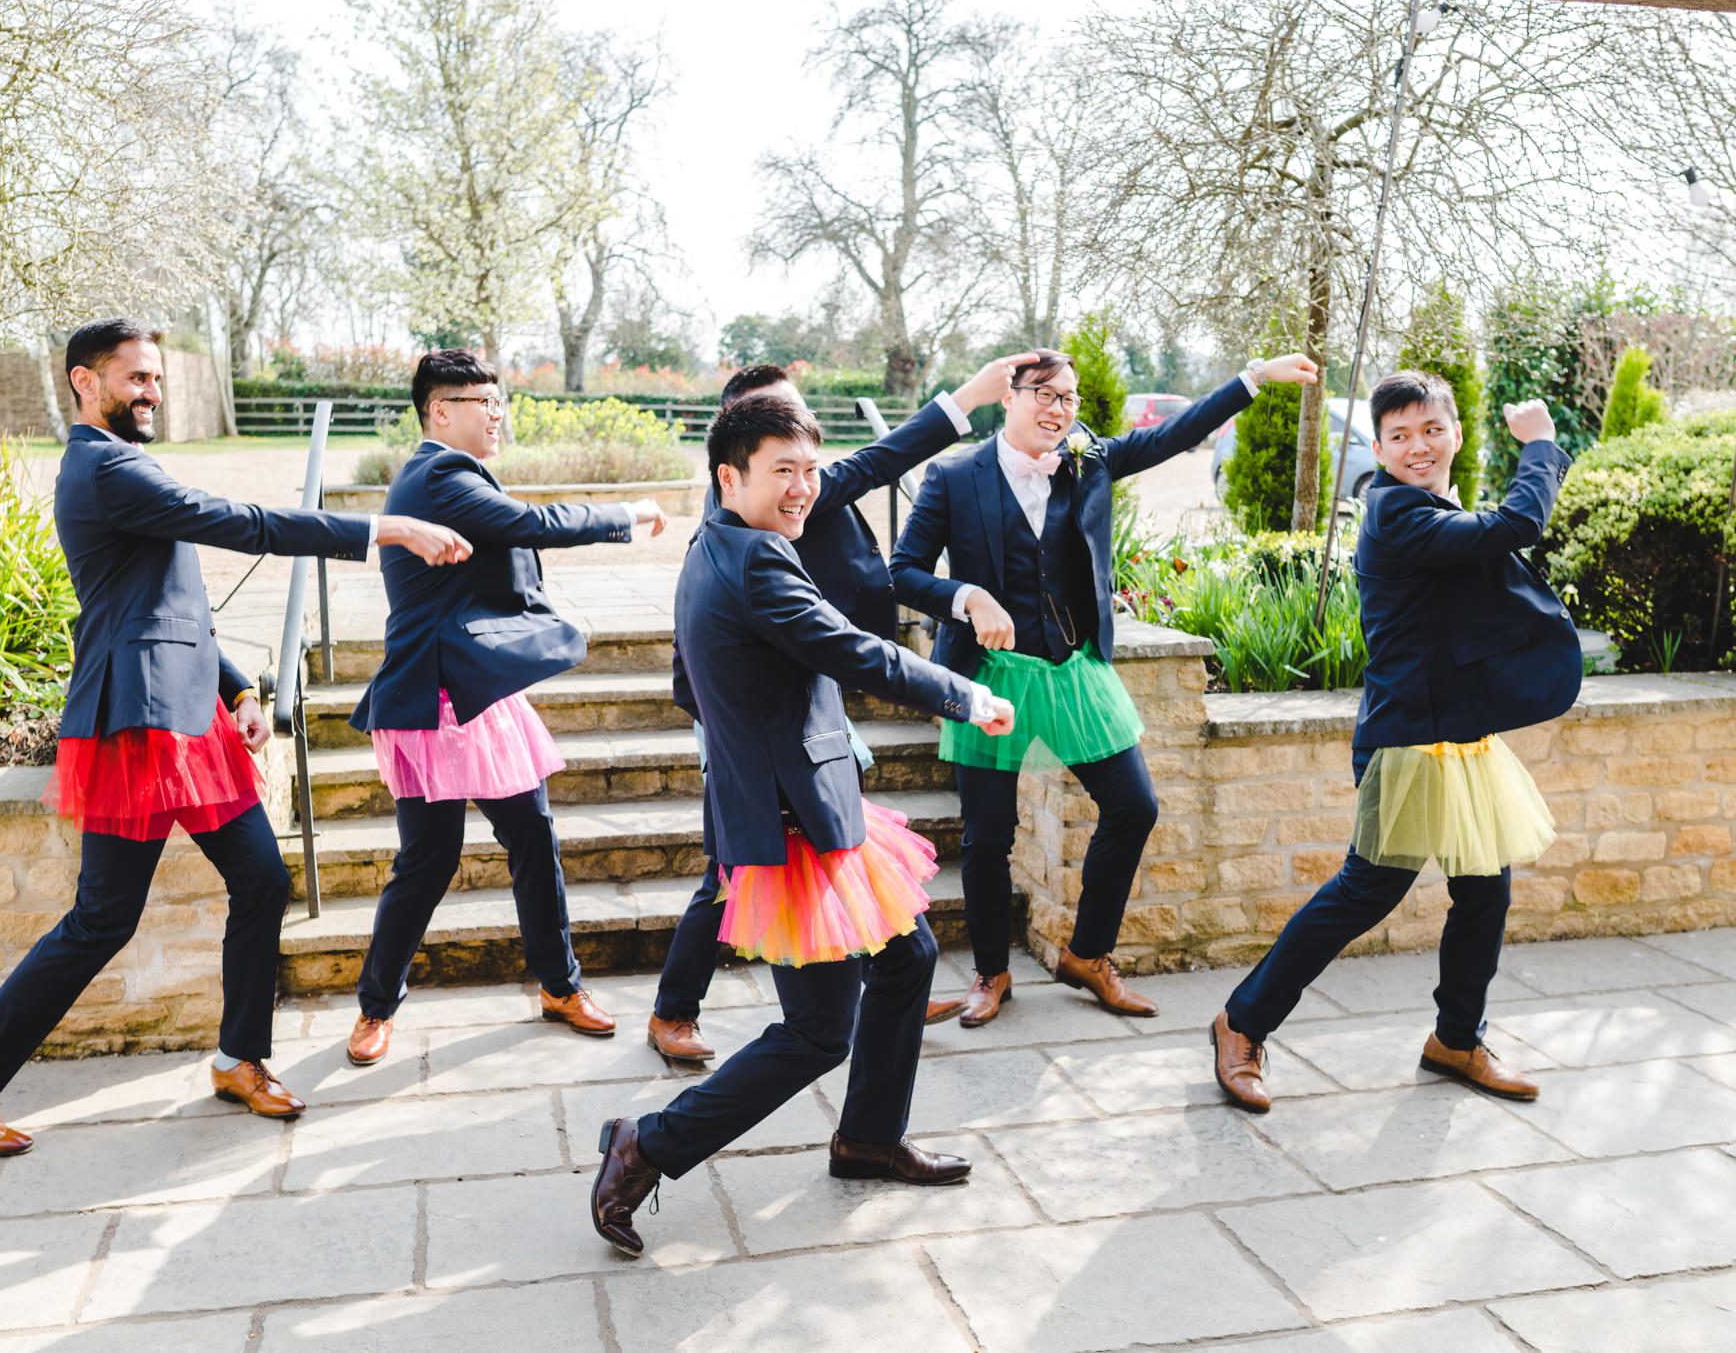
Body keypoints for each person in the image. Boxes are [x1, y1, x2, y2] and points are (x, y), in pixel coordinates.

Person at [0, 317, 471, 1156]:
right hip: (135, 724)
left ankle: (239, 1056)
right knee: (103, 920)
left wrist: (238, 685)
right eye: (135, 377)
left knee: (262, 878)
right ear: (84, 383)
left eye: (158, 379)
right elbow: (238, 520)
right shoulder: (100, 468)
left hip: (189, 716)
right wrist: (383, 528)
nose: (151, 392)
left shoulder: (126, 464)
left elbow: (170, 606)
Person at [589, 394, 1015, 1258]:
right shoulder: (757, 561)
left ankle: (866, 1137)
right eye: (782, 470)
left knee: (909, 957)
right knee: (820, 1030)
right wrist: (964, 693)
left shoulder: (713, 546)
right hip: (793, 820)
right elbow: (854, 649)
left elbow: (688, 680)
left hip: (796, 793)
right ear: (730, 475)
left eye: (810, 469)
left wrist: (754, 725)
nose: (802, 488)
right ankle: (646, 1145)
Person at [891, 348, 1319, 1026]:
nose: (1058, 408)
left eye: (1069, 397)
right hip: (988, 676)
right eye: (1044, 393)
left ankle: (1088, 953)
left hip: (1071, 672)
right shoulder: (953, 478)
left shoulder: (1090, 462)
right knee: (987, 834)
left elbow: (1174, 435)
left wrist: (1253, 379)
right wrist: (966, 596)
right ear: (1010, 396)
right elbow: (903, 570)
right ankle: (991, 973)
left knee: (1133, 805)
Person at [646, 352, 1037, 1065]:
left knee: (817, 873)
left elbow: (869, 468)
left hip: (802, 694)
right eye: (781, 440)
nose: (804, 472)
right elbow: (854, 642)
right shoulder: (744, 526)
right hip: (761, 712)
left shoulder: (767, 502)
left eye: (808, 449)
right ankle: (682, 1011)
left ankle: (872, 993)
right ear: (735, 455)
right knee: (741, 874)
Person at [1213, 378, 1579, 1113]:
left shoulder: (1434, 505)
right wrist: (1540, 444)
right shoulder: (1395, 512)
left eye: (1432, 429)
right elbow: (1515, 525)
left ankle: (1456, 1037)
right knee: (1364, 892)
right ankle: (1241, 1022)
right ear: (1377, 450)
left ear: (1455, 435)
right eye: (1402, 436)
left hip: (1461, 739)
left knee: (1485, 892)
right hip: (1408, 741)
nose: (1419, 445)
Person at [341, 350, 666, 1067]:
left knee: (532, 836)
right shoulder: (439, 476)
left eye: (500, 398)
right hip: (430, 695)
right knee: (429, 858)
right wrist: (627, 513)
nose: (497, 412)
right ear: (438, 411)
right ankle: (375, 1007)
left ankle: (559, 986)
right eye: (480, 400)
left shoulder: (448, 474)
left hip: (479, 694)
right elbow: (533, 523)